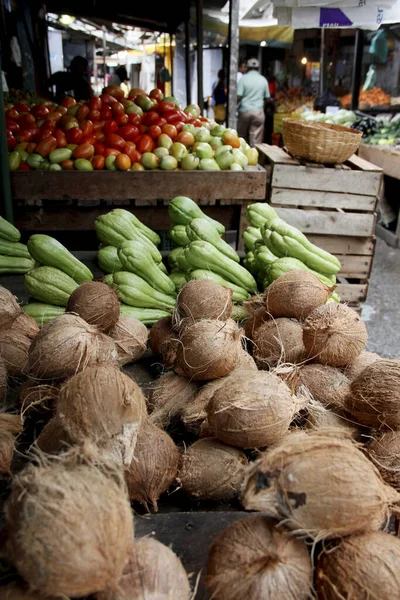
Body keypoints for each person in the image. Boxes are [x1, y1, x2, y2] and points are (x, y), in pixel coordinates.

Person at [237, 58, 270, 147]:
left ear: (247, 67)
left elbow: (238, 96)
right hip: (258, 112)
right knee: (255, 140)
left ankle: (241, 157)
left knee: (241, 138)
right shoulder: (263, 80)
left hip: (245, 111)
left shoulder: (243, 79)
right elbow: (267, 98)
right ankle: (254, 159)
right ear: (258, 68)